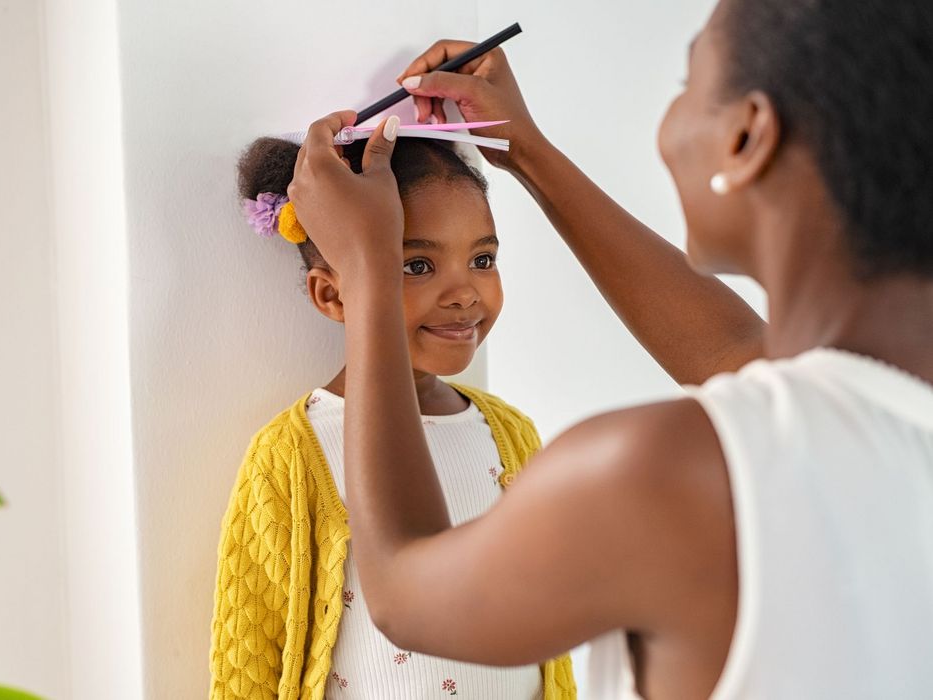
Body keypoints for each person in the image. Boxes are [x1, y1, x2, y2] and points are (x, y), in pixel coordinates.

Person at [287, 0, 933, 697]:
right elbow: (741, 353)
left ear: (748, 136)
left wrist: (371, 269)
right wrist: (527, 152)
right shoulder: (888, 416)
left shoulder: (663, 474)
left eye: (686, 86)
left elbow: (406, 588)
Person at [209, 136, 576, 699]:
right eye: (418, 265)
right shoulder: (292, 454)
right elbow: (250, 659)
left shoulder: (511, 435)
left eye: (483, 259)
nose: (463, 293)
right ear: (333, 295)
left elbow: (547, 621)